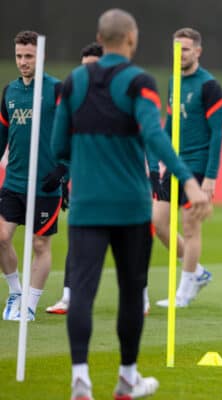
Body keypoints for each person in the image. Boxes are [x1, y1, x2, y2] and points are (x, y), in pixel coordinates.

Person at [51, 9, 210, 399]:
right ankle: (127, 378)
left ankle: (80, 380)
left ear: (99, 38)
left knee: (82, 294)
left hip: (87, 206)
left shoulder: (73, 82)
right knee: (130, 291)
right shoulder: (140, 83)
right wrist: (188, 182)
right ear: (132, 39)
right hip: (129, 207)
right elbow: (155, 137)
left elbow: (57, 148)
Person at [150, 27, 222, 308]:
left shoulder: (209, 86)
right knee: (158, 223)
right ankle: (197, 273)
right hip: (173, 164)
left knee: (191, 227)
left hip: (199, 167)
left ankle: (183, 292)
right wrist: (160, 157)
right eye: (177, 49)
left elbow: (217, 133)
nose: (181, 54)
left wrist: (211, 177)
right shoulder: (173, 81)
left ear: (198, 51)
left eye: (187, 49)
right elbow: (169, 123)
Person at [0, 30, 64, 322]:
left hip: (46, 185)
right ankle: (15, 292)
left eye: (29, 56)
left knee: (40, 244)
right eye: (19, 56)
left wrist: (65, 171)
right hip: (13, 182)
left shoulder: (57, 90)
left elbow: (72, 134)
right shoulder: (9, 91)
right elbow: (2, 134)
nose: (23, 62)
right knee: (1, 238)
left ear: (41, 56)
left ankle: (29, 305)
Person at [46, 42, 105, 316]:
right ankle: (69, 297)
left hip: (117, 184)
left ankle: (139, 296)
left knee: (126, 242)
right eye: (85, 67)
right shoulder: (75, 98)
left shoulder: (120, 97)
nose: (88, 72)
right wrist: (65, 176)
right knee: (78, 238)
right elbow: (64, 142)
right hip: (84, 182)